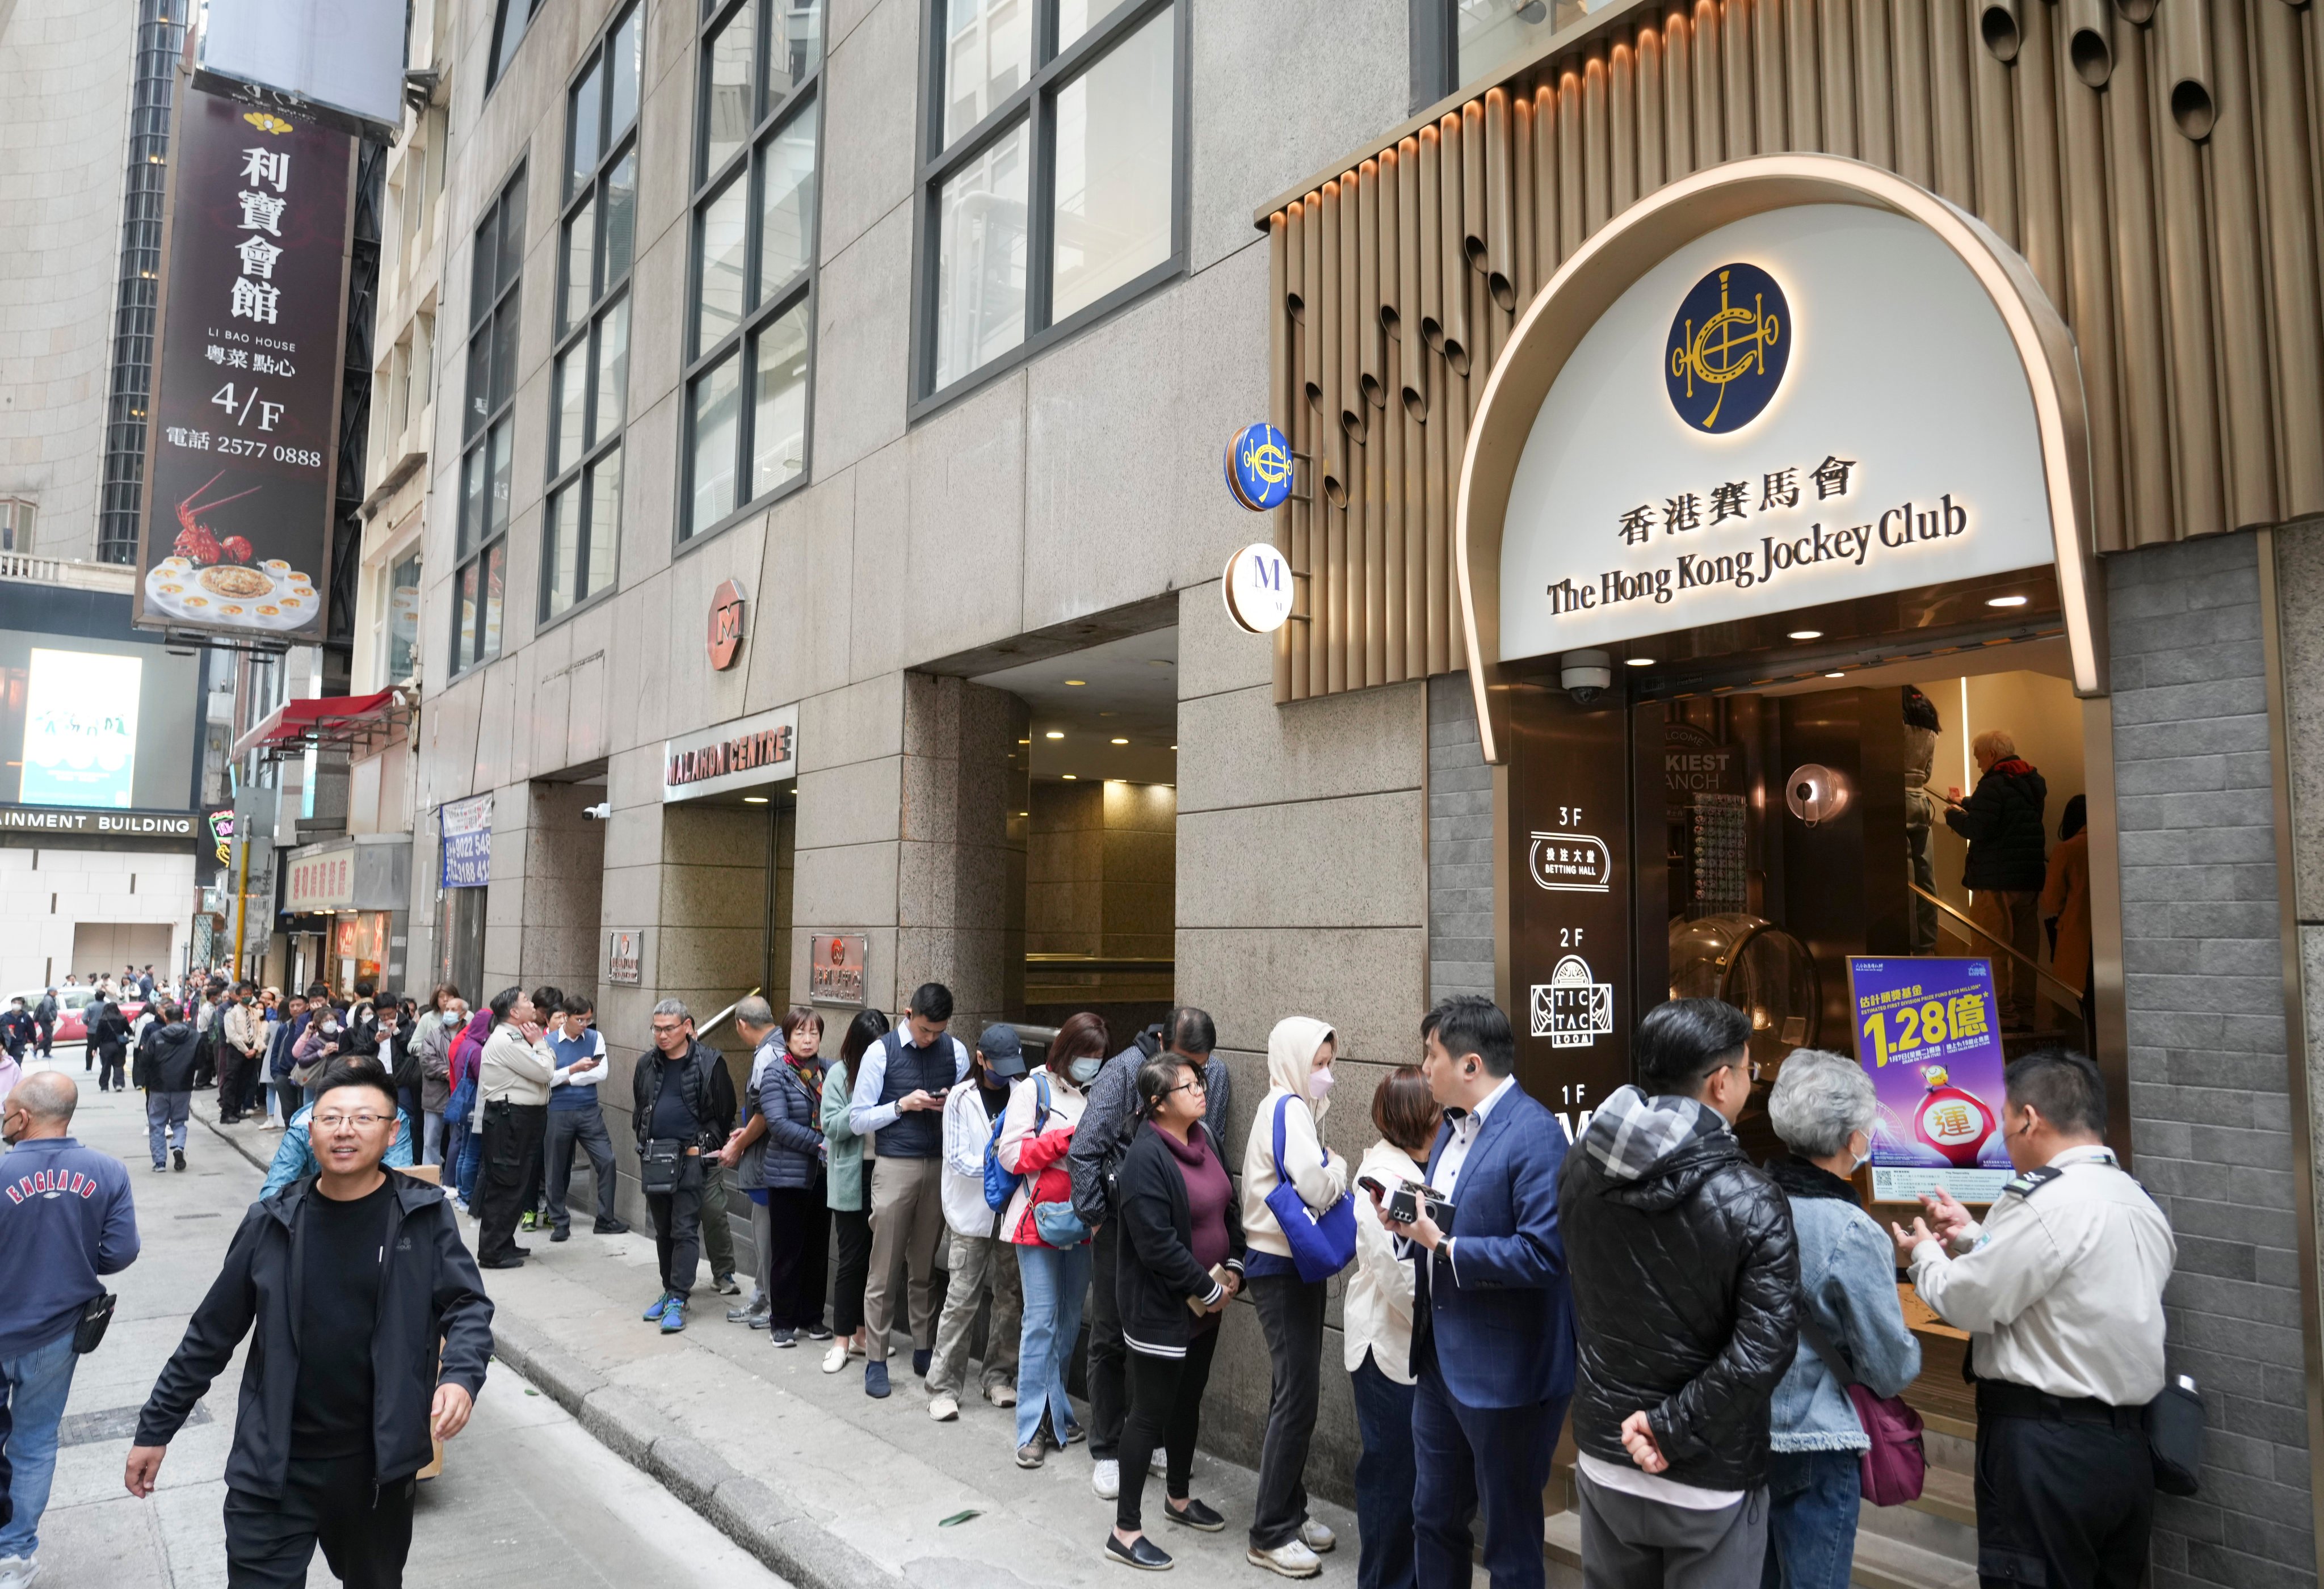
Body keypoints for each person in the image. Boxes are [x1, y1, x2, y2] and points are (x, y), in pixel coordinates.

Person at [127, 1059, 493, 1589]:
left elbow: (468, 1306)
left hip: (375, 1472)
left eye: (364, 1118)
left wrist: (460, 1375)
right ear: (310, 1130)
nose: (345, 1130)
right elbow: (210, 1335)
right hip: (273, 1469)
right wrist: (155, 1429)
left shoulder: (424, 1215)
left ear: (393, 1132)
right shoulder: (272, 1221)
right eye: (330, 1118)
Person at [1894, 1049, 2173, 1589]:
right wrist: (1975, 1236)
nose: (2003, 1134)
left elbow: (1968, 1301)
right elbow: (2068, 1283)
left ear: (2029, 1118)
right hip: (2128, 1450)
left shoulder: (2046, 1203)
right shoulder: (2137, 1200)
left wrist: (1924, 1255)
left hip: (2045, 1449)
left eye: (2003, 1120)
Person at [1560, 999, 1798, 1589]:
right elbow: (1763, 1350)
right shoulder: (1753, 1196)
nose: (1750, 1080)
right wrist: (1667, 1428)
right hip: (1706, 1475)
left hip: (1606, 1450)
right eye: (1749, 1070)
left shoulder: (1579, 1167)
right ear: (1722, 1082)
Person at [1762, 1051, 1922, 1589]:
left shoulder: (1745, 1201)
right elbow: (1888, 1366)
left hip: (1744, 1432)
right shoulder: (1852, 1230)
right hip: (1816, 1438)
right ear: (1854, 1139)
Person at [1069, 1006, 1233, 1499]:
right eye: (1185, 1066)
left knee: (1176, 1339)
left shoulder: (1215, 1075)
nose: (1195, 1078)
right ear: (1163, 1040)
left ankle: (1158, 1441)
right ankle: (1106, 1446)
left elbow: (1212, 1141)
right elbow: (1084, 1150)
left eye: (1200, 1068)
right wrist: (1099, 1219)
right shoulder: (1123, 1071)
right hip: (1123, 1222)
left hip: (1184, 1225)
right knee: (1112, 1335)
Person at [1104, 1049, 1245, 1571]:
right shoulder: (1145, 1158)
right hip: (1161, 1309)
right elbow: (1156, 1244)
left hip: (1208, 1304)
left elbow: (1228, 1205)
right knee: (1148, 1415)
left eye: (1199, 1082)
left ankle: (1179, 1498)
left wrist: (1233, 1265)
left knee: (1188, 1402)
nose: (1201, 1092)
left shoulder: (1204, 1138)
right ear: (1158, 1104)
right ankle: (1124, 1529)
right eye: (1189, 1086)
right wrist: (1206, 1290)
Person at [0, 1072, 140, 1586]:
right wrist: (76, 1261)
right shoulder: (107, 1171)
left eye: (7, 1109)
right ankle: (12, 1557)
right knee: (34, 1441)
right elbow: (121, 1251)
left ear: (25, 1117)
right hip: (57, 1333)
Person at [1238, 1014, 1347, 1577]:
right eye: (1318, 1064)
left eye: (1329, 1063)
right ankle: (1271, 1531)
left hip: (1282, 1263)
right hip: (1282, 1265)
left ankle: (1290, 1509)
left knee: (1293, 1389)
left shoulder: (1282, 1106)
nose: (1327, 1074)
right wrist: (1341, 1167)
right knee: (1297, 1395)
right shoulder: (1289, 1108)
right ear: (1293, 1061)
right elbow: (1316, 1185)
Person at [849, 982, 972, 1399]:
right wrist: (903, 1105)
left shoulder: (955, 1052)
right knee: (883, 1269)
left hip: (939, 1167)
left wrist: (948, 1102)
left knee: (924, 1266)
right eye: (924, 1030)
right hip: (895, 1165)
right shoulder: (880, 1052)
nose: (930, 1038)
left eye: (937, 1032)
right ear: (907, 1013)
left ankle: (923, 1347)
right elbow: (857, 1120)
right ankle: (877, 1360)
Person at [1346, 1066, 1440, 1589]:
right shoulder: (1378, 1180)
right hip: (1387, 1349)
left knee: (1414, 1484)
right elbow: (1397, 1276)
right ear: (1415, 1120)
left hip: (1418, 1347)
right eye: (1436, 1112)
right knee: (1390, 1481)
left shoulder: (1429, 1165)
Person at [997, 1010, 1100, 1462]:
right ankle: (1032, 1427)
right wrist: (1066, 1141)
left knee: (1069, 1316)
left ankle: (1056, 1409)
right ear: (1065, 1052)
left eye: (1098, 1056)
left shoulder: (1097, 1093)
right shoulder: (1031, 1089)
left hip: (1081, 1223)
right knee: (1039, 1321)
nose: (1091, 1064)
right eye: (1085, 1056)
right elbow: (1011, 1155)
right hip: (1037, 1220)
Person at [926, 1023, 1026, 1421]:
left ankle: (997, 1376)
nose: (1005, 1073)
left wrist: (1003, 1160)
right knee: (961, 1300)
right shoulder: (960, 1099)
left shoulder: (1023, 1093)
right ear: (980, 1059)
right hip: (969, 1218)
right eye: (997, 1064)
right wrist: (1000, 1158)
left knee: (1009, 1299)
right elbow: (958, 1159)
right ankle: (942, 1386)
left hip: (1011, 1216)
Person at [723, 1002, 827, 1343]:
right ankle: (782, 1321)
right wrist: (822, 1143)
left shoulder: (828, 1072)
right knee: (786, 1251)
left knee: (816, 1249)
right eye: (800, 1033)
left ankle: (812, 1318)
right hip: (786, 1175)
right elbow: (779, 1125)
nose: (808, 1040)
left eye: (814, 1033)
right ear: (787, 1036)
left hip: (821, 1175)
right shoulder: (776, 1072)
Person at [634, 999, 737, 1335]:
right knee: (662, 1230)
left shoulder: (710, 1063)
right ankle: (669, 1290)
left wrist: (702, 1147)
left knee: (684, 1229)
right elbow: (640, 1108)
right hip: (655, 1159)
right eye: (657, 1029)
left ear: (688, 1027)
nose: (661, 1036)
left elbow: (723, 1114)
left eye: (669, 1029)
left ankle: (679, 1296)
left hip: (691, 1159)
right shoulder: (647, 1064)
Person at [1943, 729, 2049, 1029]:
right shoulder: (2031, 782)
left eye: (1978, 757)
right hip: (2028, 881)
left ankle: (2002, 1017)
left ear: (1991, 754)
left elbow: (1979, 829)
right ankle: (2026, 1013)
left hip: (1995, 882)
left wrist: (1953, 814)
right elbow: (2002, 813)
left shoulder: (1992, 784)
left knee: (1991, 949)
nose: (1978, 764)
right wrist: (1966, 801)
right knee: (2025, 952)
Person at [820, 1008, 885, 1374]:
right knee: (851, 1260)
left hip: (886, 1172)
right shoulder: (839, 1074)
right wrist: (862, 1110)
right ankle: (841, 1339)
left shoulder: (891, 1070)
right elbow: (829, 1124)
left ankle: (864, 1336)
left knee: (877, 1261)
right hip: (852, 1175)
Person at [473, 987, 553, 1269]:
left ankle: (503, 1241)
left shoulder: (517, 1037)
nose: (532, 1004)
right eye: (526, 1001)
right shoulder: (507, 1040)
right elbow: (545, 1071)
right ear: (514, 1013)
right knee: (506, 1183)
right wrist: (541, 1043)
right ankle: (493, 1251)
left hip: (521, 1118)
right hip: (510, 1119)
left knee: (516, 1182)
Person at [543, 993, 627, 1240]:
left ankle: (605, 1218)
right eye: (581, 1020)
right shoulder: (549, 1043)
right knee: (556, 1168)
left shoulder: (595, 1037)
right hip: (558, 1111)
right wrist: (575, 1069)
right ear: (565, 1018)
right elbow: (546, 1078)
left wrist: (567, 1078)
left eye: (589, 1019)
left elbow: (601, 1072)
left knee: (607, 1161)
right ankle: (559, 1221)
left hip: (589, 1110)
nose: (586, 1025)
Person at [2042, 794, 2093, 1033]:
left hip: (2077, 941)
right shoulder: (2112, 844)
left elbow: (2051, 903)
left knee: (2075, 1012)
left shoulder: (2066, 850)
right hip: (2112, 944)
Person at [134, 1001, 204, 1172]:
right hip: (184, 1086)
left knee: (157, 1123)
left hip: (159, 1086)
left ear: (166, 1018)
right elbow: (202, 1061)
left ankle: (159, 1163)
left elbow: (144, 1062)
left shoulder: (156, 1037)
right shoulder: (195, 1036)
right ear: (184, 1017)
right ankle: (178, 1146)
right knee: (179, 1121)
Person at [417, 993, 466, 1165]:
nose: (449, 1012)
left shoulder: (469, 1035)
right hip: (435, 1096)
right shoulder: (433, 1035)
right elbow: (427, 1060)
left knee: (458, 1140)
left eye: (454, 1009)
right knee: (430, 1141)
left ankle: (452, 1178)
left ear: (463, 1014)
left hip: (460, 1096)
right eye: (447, 1009)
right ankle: (430, 1178)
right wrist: (449, 1073)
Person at [261, 993, 308, 1132]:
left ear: (307, 1007)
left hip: (305, 1074)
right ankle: (290, 1135)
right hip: (284, 1074)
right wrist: (276, 1074)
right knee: (288, 1110)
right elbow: (275, 1051)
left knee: (303, 1108)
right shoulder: (284, 1028)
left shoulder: (310, 1027)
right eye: (292, 1006)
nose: (295, 1009)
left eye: (298, 1005)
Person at [220, 982, 264, 1122]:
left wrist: (255, 1049)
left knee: (244, 1082)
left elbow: (259, 1032)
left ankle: (237, 1110)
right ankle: (227, 1114)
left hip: (252, 1049)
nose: (248, 997)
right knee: (232, 1082)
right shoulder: (231, 1013)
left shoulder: (254, 1012)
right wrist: (246, 1050)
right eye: (245, 995)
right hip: (237, 1049)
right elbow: (231, 1035)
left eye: (250, 994)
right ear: (238, 997)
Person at [87, 994, 131, 1094]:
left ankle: (104, 1087)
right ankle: (119, 1084)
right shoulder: (122, 1019)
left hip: (106, 1046)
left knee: (106, 1067)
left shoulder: (103, 1020)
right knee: (119, 1066)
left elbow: (98, 1036)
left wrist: (94, 1048)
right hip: (120, 1046)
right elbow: (129, 1031)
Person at [0, 999, 31, 1064]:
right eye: (15, 1003)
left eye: (19, 1003)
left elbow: (31, 1030)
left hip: (19, 1044)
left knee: (17, 1063)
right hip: (9, 1045)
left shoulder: (26, 1016)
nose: (16, 1005)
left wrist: (35, 1042)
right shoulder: (4, 1017)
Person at [31, 991, 55, 1061]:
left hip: (46, 1021)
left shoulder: (50, 999)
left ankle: (46, 1054)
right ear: (51, 992)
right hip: (46, 1021)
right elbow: (46, 1011)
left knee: (48, 1037)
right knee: (49, 1037)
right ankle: (35, 1049)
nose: (57, 993)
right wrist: (51, 1020)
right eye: (55, 991)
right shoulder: (48, 999)